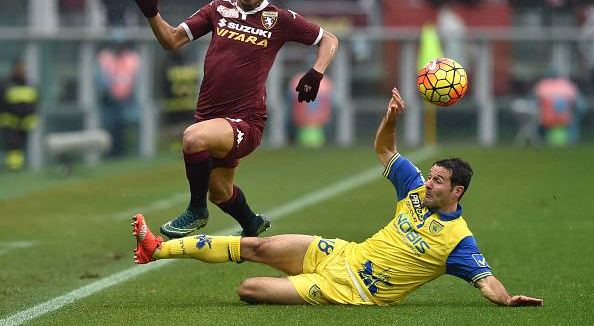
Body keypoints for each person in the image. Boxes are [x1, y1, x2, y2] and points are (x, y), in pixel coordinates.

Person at [131, 88, 544, 307]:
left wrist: (507, 299)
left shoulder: (458, 240)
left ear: (457, 192)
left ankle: (298, 286)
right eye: (430, 176)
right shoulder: (415, 189)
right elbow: (386, 151)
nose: (428, 184)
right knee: (258, 245)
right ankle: (158, 249)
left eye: (438, 182)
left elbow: (485, 280)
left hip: (352, 291)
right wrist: (390, 119)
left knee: (249, 290)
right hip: (341, 253)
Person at [131, 0, 339, 239]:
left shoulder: (279, 19)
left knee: (193, 138)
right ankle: (251, 224)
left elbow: (329, 39)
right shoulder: (217, 10)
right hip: (211, 118)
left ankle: (195, 211)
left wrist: (317, 71)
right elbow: (172, 40)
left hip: (246, 122)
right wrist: (152, 14)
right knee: (220, 192)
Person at [0, 59, 38, 171]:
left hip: (25, 123)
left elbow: (35, 103)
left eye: (24, 68)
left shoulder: (29, 84)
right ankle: (14, 169)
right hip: (10, 122)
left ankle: (18, 167)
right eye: (20, 68)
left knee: (20, 147)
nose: (22, 70)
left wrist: (32, 118)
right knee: (13, 146)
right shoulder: (6, 84)